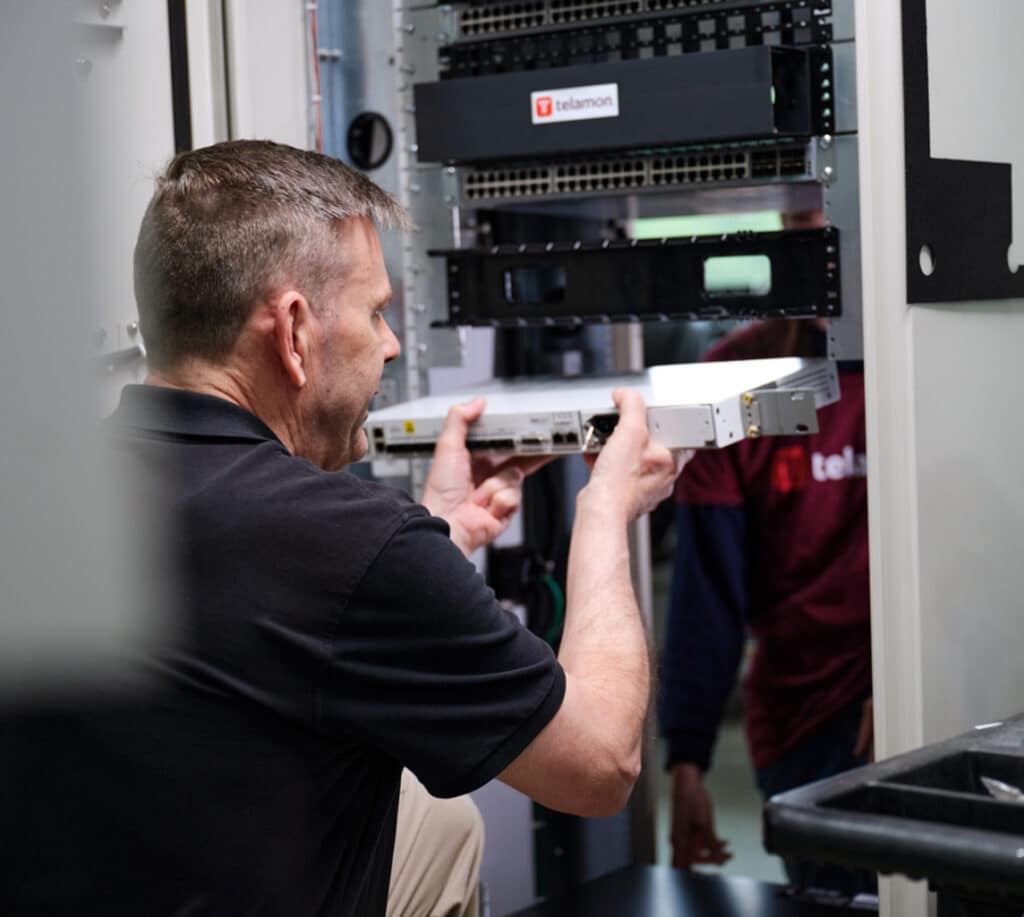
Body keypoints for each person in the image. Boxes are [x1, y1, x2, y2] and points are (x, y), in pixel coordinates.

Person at [3, 140, 683, 917]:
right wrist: (605, 512)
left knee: (442, 824)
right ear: (293, 331)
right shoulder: (348, 541)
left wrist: (440, 538)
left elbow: (261, 625)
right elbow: (601, 764)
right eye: (376, 311)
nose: (391, 343)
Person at [658, 316, 873, 895]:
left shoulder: (921, 356)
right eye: (803, 220)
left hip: (914, 704)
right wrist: (688, 758)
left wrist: (909, 676)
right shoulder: (731, 379)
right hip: (802, 718)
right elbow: (706, 591)